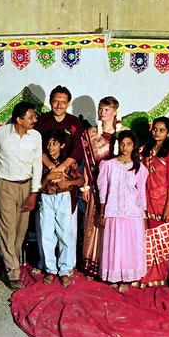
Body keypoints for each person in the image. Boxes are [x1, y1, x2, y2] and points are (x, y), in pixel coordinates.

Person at [0, 101, 42, 290]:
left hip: (26, 186)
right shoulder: (2, 133)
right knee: (7, 229)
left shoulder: (35, 136)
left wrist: (34, 191)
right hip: (5, 185)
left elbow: (37, 165)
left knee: (21, 229)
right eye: (31, 116)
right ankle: (13, 271)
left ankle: (12, 260)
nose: (35, 119)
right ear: (19, 119)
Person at [32, 85, 84, 276]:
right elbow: (37, 147)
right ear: (50, 101)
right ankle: (45, 262)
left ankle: (67, 266)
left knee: (67, 227)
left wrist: (61, 169)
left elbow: (78, 150)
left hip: (66, 177)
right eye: (56, 100)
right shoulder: (42, 121)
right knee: (44, 228)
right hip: (45, 175)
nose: (59, 104)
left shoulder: (75, 123)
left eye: (63, 101)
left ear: (68, 103)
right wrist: (51, 168)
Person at [97, 130, 148, 293]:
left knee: (130, 245)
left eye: (129, 144)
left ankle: (127, 277)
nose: (125, 147)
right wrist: (102, 211)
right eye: (122, 144)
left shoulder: (139, 168)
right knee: (115, 244)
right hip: (113, 211)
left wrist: (144, 214)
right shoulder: (108, 165)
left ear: (134, 147)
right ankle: (114, 276)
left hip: (133, 212)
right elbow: (103, 188)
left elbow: (141, 192)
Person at [80, 96, 122, 279]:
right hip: (96, 187)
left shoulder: (123, 134)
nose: (103, 113)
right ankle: (93, 266)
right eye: (101, 109)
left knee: (113, 226)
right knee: (95, 224)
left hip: (117, 189)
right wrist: (86, 187)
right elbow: (86, 162)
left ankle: (112, 266)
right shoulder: (89, 134)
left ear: (115, 111)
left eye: (107, 109)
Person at [136, 116, 169, 288]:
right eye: (155, 129)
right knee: (146, 239)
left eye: (162, 130)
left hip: (163, 202)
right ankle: (145, 275)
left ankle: (161, 276)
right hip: (145, 201)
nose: (157, 132)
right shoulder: (144, 150)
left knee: (163, 242)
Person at [39, 129, 84, 287]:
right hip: (46, 198)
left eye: (55, 144)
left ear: (62, 145)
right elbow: (38, 186)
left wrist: (68, 183)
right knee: (47, 233)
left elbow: (81, 180)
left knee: (65, 233)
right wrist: (47, 178)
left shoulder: (68, 163)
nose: (51, 147)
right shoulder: (43, 162)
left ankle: (64, 270)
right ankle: (50, 268)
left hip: (63, 198)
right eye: (49, 144)